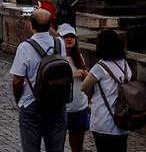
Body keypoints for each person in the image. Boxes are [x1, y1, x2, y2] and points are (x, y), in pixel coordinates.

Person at [10, 9, 67, 152]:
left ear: (31, 25)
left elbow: (18, 80)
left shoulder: (25, 47)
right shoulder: (60, 43)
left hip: (32, 102)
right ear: (50, 25)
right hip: (57, 102)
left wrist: (19, 100)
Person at [80, 29, 132, 152]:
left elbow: (83, 87)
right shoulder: (124, 65)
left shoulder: (100, 67)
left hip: (104, 121)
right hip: (122, 119)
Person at [57, 24, 89, 152]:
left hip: (79, 107)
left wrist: (85, 75)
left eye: (72, 37)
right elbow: (52, 80)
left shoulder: (79, 57)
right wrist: (72, 75)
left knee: (77, 145)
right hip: (62, 109)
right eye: (65, 37)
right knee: (57, 144)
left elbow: (85, 82)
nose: (69, 39)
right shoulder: (57, 58)